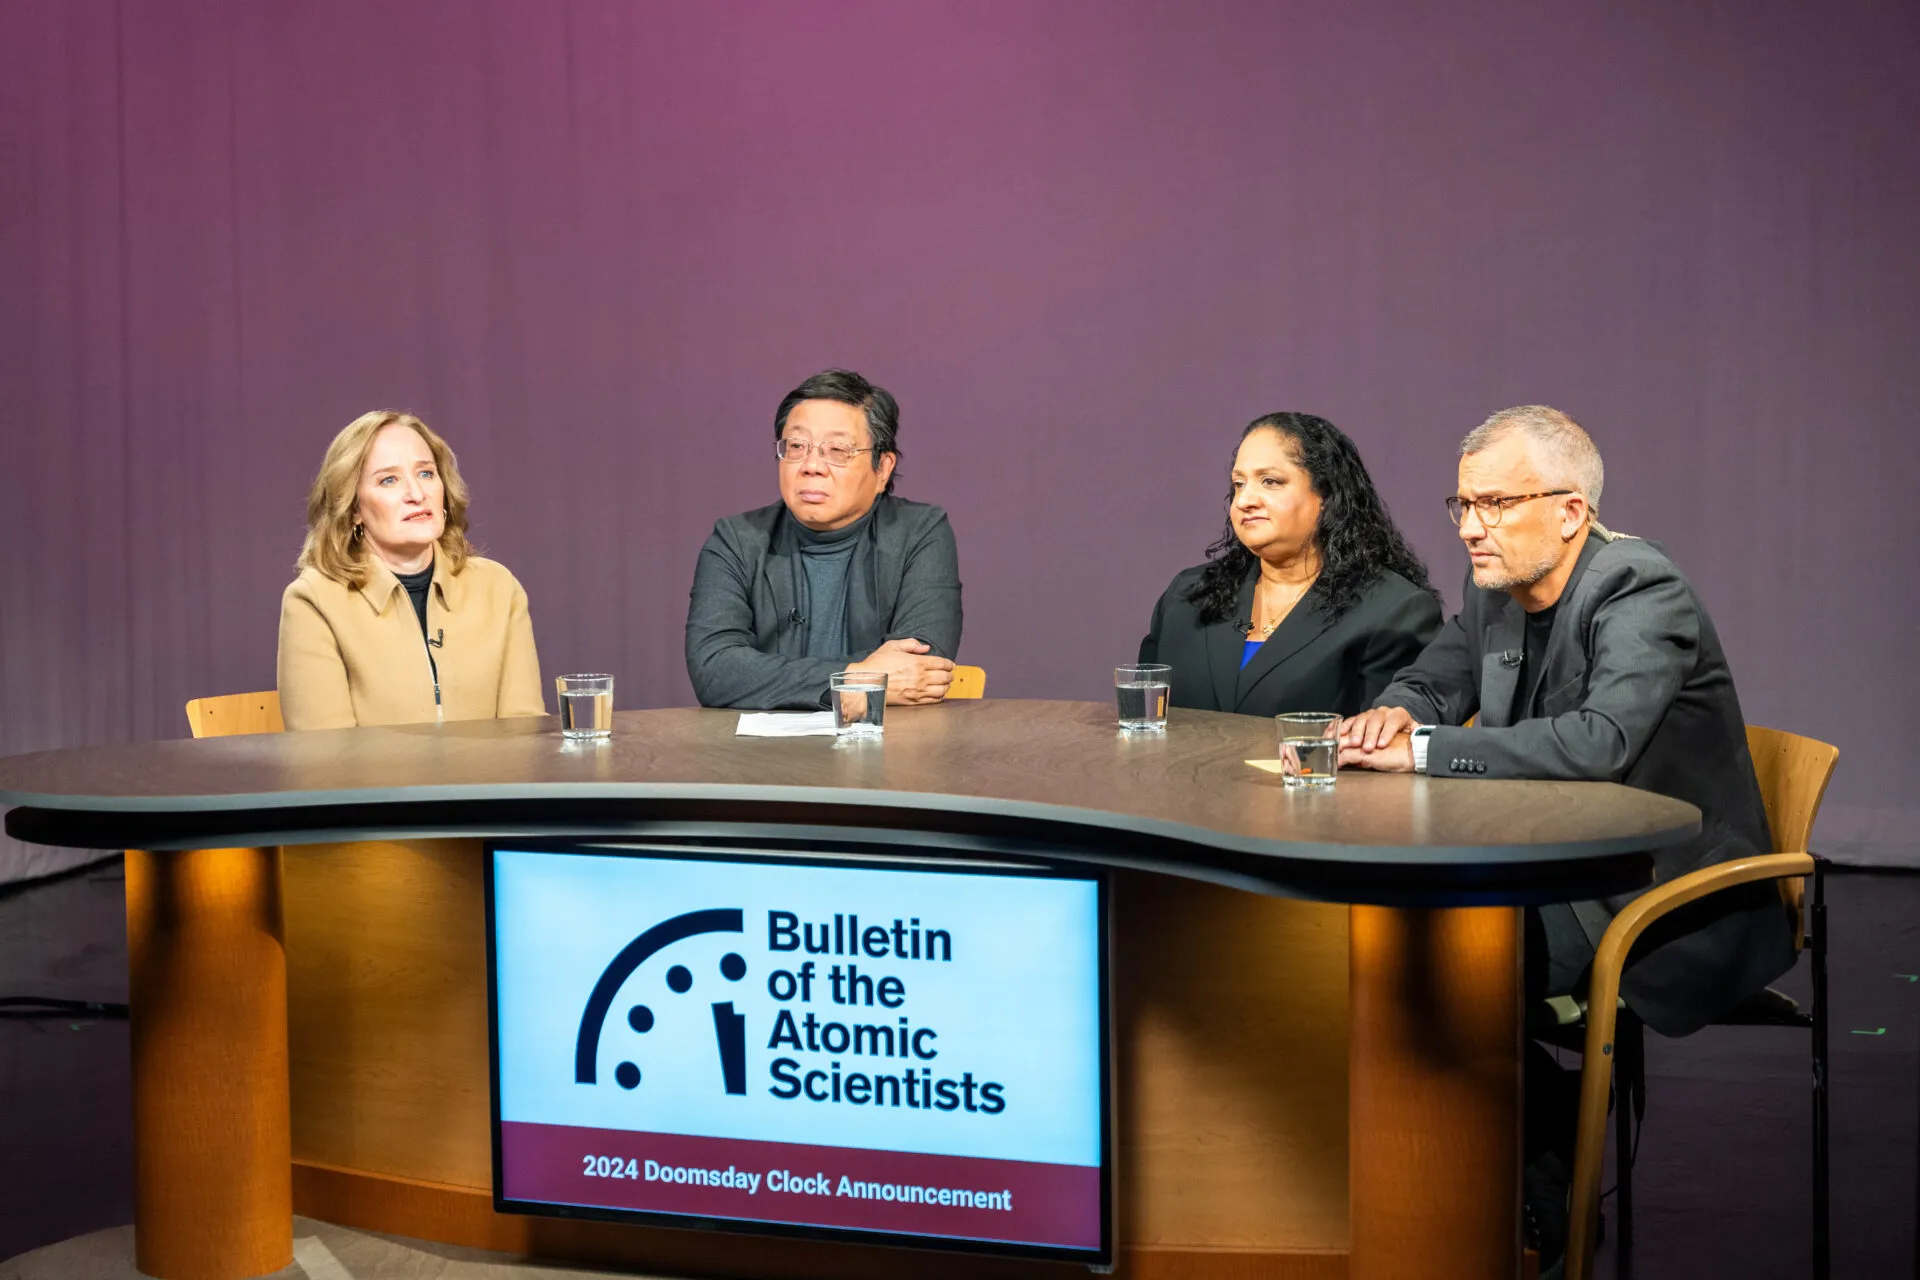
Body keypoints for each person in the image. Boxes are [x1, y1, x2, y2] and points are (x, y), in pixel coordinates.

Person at [1337, 404, 1793, 1269]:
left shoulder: (1639, 588)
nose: (1473, 528)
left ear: (1571, 511)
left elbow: (1600, 743)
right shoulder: (1496, 585)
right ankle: (1500, 1173)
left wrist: (1424, 753)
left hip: (1658, 893)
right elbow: (1436, 678)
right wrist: (1390, 719)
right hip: (1555, 869)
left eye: (1498, 505)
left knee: (1442, 959)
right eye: (1463, 505)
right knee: (1401, 943)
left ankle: (1534, 1178)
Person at [685, 369, 961, 710]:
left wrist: (773, 680)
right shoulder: (736, 541)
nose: (811, 465)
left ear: (883, 469)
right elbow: (715, 670)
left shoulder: (920, 532)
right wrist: (855, 681)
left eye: (837, 450)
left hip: (883, 752)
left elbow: (920, 664)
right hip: (756, 758)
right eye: (797, 446)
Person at [1138, 412, 1442, 717]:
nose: (1245, 500)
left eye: (1270, 482)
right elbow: (1141, 720)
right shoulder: (1188, 596)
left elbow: (1382, 745)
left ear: (1326, 495)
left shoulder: (1393, 611)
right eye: (1239, 484)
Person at [278, 411, 545, 731]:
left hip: (488, 781)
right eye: (388, 480)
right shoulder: (314, 601)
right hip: (372, 783)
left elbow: (525, 734)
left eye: (426, 473)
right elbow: (324, 760)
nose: (417, 494)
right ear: (354, 509)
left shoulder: (498, 588)